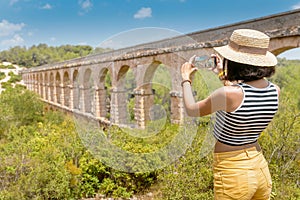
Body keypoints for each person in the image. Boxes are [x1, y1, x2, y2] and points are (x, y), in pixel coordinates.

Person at [181, 29, 280, 200]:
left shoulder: (228, 94)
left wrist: (185, 79)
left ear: (236, 62)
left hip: (233, 171)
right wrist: (221, 75)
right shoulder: (275, 91)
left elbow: (191, 109)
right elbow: (241, 95)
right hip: (260, 166)